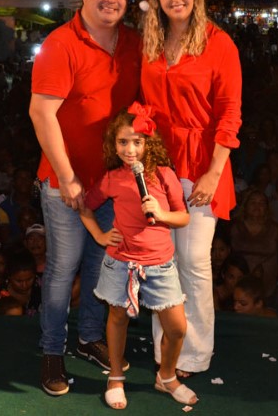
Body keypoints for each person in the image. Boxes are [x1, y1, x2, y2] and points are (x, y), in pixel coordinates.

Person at [28, 0, 141, 396]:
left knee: (102, 261)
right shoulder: (61, 43)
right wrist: (67, 175)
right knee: (63, 268)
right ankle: (51, 351)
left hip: (112, 181)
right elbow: (41, 113)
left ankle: (89, 336)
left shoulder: (132, 43)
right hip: (66, 183)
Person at [138, 0, 242, 377]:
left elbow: (230, 113)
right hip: (159, 164)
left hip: (202, 162)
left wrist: (214, 173)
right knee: (161, 260)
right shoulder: (150, 42)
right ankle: (167, 348)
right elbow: (145, 104)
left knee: (195, 261)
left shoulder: (219, 43)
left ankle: (195, 354)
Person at [79, 104, 196, 409]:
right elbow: (85, 206)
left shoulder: (164, 175)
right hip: (121, 261)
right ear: (113, 144)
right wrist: (99, 235)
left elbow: (183, 217)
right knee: (117, 318)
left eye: (137, 142)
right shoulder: (112, 178)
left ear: (148, 143)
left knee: (177, 328)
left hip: (160, 264)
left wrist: (162, 214)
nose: (130, 150)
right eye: (123, 142)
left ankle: (166, 376)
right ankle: (116, 377)